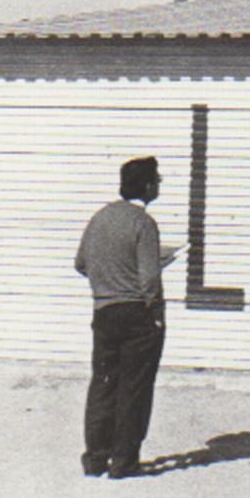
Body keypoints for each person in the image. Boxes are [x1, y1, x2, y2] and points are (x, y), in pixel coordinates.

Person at [75, 155, 175, 478]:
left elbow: (80, 263)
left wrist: (109, 277)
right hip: (137, 316)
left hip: (103, 313)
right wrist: (157, 313)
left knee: (103, 385)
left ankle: (95, 459)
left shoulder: (99, 218)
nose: (159, 184)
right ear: (146, 186)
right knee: (134, 389)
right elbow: (148, 279)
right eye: (157, 180)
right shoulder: (143, 224)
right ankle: (124, 461)